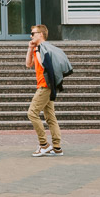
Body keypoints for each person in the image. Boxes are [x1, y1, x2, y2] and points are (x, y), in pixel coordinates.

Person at [25, 24, 63, 157]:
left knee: (32, 113)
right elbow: (28, 64)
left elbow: (44, 65)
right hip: (46, 85)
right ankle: (57, 147)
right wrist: (30, 49)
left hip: (45, 86)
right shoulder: (37, 48)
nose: (31, 36)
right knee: (50, 117)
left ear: (41, 34)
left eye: (33, 33)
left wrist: (36, 51)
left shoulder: (44, 48)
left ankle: (44, 145)